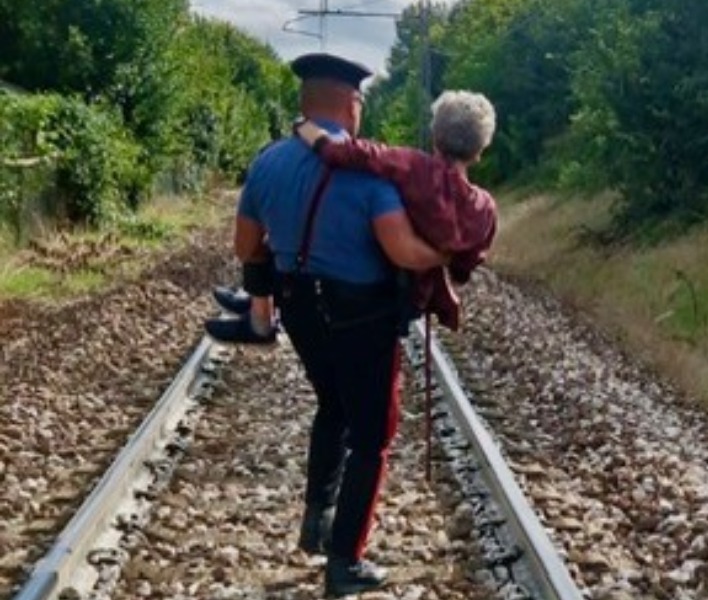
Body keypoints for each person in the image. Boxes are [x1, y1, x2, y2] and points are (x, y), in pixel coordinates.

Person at [229, 52, 448, 597]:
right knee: (372, 435)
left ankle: (316, 521)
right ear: (351, 104)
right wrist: (445, 253)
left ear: (306, 103)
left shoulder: (267, 162)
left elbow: (245, 247)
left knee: (332, 405)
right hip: (361, 315)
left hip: (300, 306)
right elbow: (401, 248)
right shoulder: (363, 170)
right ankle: (345, 562)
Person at [205, 90, 498, 341]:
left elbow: (342, 153)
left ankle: (259, 308)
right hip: (414, 298)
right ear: (479, 151)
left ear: (436, 136)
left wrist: (303, 126)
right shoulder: (484, 209)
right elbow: (463, 271)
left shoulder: (411, 165)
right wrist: (444, 256)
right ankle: (257, 306)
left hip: (380, 295)